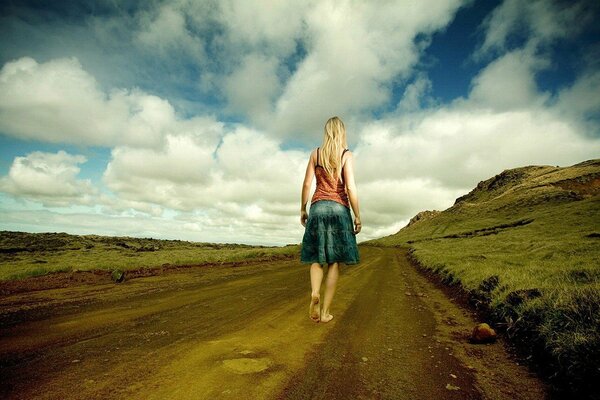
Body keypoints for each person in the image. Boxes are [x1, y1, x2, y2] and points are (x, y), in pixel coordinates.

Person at [300, 116, 361, 323]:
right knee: (334, 262)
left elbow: (307, 184)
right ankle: (325, 312)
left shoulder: (315, 154)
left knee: (317, 258)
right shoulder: (346, 155)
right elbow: (350, 186)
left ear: (326, 132)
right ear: (342, 132)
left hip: (317, 208)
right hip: (339, 209)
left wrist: (303, 208)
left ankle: (314, 292)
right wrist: (358, 215)